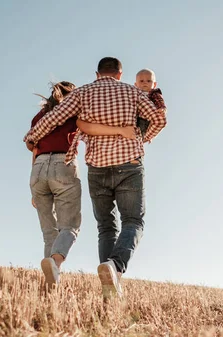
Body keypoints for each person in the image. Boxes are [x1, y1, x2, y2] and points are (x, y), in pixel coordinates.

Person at [24, 57, 167, 299]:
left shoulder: (83, 93)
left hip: (97, 168)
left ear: (97, 73)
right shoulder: (132, 93)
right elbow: (160, 119)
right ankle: (115, 267)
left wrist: (31, 136)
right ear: (120, 74)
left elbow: (54, 118)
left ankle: (108, 283)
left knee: (105, 227)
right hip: (129, 164)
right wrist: (142, 138)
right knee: (133, 221)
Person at [26, 81, 134, 288]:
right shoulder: (73, 114)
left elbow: (34, 149)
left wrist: (33, 186)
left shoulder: (38, 118)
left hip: (37, 170)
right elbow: (90, 131)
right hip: (63, 165)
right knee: (70, 226)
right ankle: (55, 262)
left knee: (49, 231)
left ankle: (51, 282)